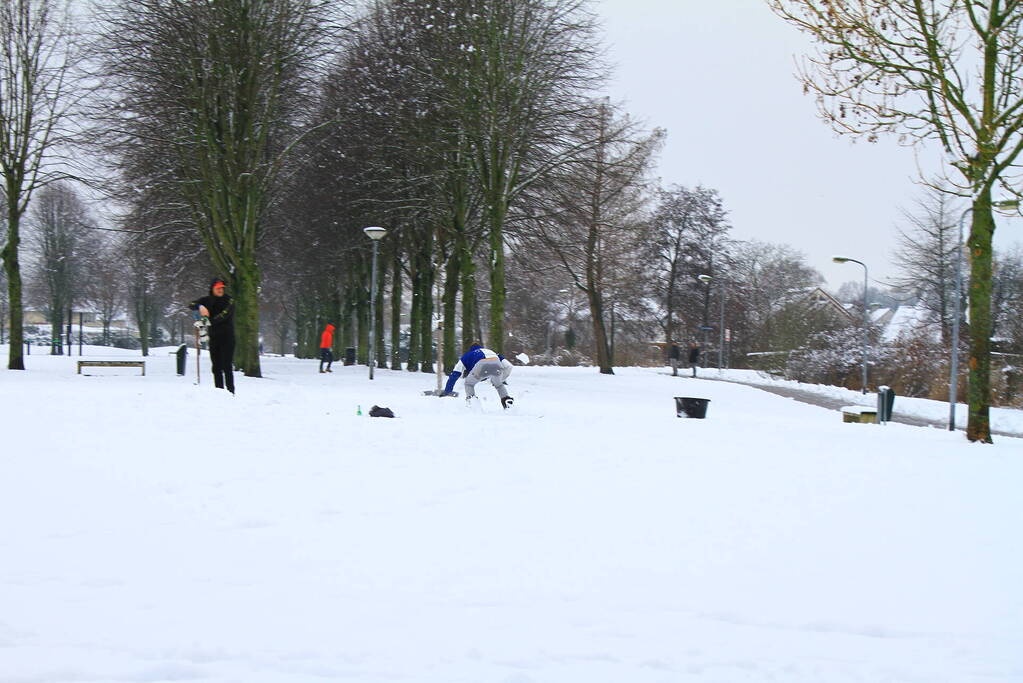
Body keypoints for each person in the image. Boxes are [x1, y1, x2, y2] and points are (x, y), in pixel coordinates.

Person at [189, 278, 235, 393]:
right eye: (218, 288)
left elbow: (224, 315)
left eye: (222, 288)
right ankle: (219, 391)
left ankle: (230, 391)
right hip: (214, 338)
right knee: (216, 366)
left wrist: (207, 322)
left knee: (226, 365)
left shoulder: (229, 300)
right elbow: (191, 304)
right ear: (212, 289)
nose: (220, 290)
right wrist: (200, 306)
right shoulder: (207, 300)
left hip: (227, 337)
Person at [443, 342, 514, 408]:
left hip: (481, 364)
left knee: (469, 384)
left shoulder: (468, 355)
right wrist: (500, 380)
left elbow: (455, 373)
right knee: (499, 385)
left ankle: (472, 402)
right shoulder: (492, 352)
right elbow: (509, 366)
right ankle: (506, 400)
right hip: (496, 362)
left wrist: (448, 390)